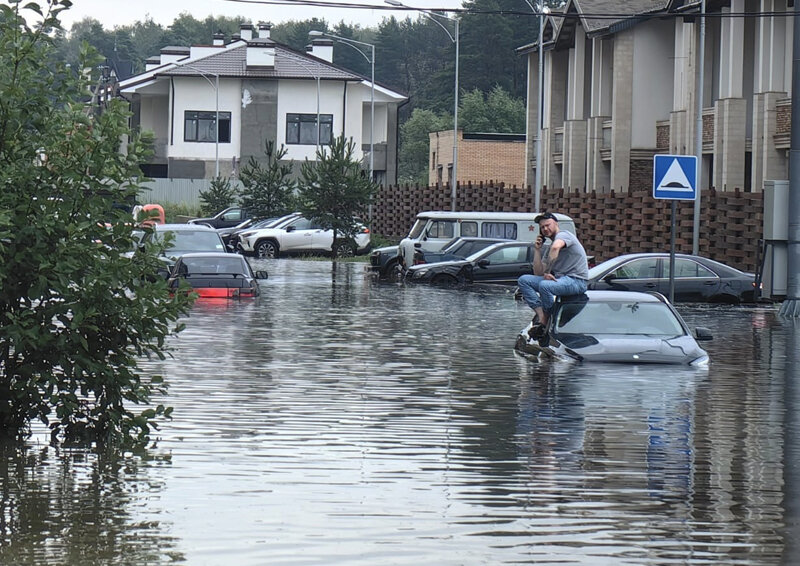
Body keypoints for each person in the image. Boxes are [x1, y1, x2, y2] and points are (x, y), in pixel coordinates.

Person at [517, 212, 589, 335]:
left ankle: (550, 317)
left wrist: (548, 272)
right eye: (542, 227)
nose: (545, 229)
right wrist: (537, 250)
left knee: (545, 286)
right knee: (524, 280)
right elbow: (538, 272)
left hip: (576, 281)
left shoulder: (564, 235)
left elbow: (556, 247)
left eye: (548, 225)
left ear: (556, 223)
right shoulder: (549, 248)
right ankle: (542, 315)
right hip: (561, 280)